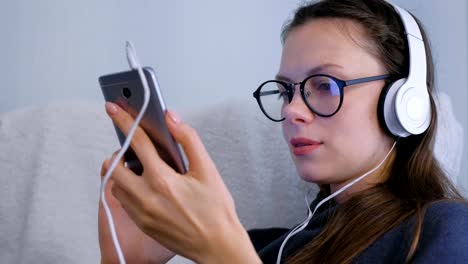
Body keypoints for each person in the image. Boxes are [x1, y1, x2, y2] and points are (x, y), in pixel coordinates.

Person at [99, 0, 468, 263]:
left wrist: (223, 254)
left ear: (405, 105)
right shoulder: (268, 247)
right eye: (285, 90)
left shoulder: (445, 229)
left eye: (325, 85)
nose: (291, 110)